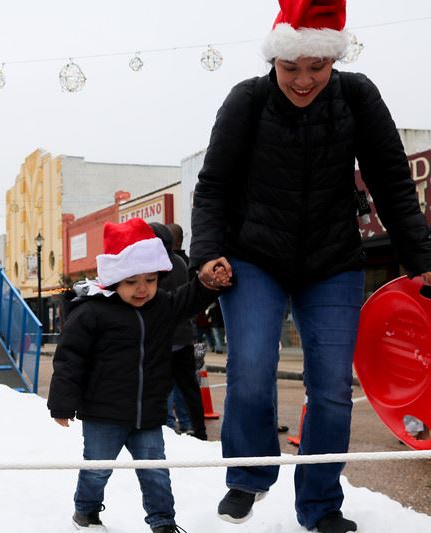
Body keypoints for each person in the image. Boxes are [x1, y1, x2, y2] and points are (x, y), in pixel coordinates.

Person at [190, 2, 431, 531]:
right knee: (250, 370)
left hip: (332, 261)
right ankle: (249, 475)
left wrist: (422, 259)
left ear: (333, 60)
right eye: (290, 67)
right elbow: (213, 187)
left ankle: (321, 504)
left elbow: (392, 179)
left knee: (329, 388)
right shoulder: (247, 101)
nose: (303, 80)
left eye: (316, 67)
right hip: (255, 257)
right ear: (275, 58)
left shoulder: (358, 96)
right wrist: (207, 254)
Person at [47, 218, 231, 533]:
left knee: (155, 471)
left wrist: (207, 283)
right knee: (97, 470)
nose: (142, 289)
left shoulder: (161, 306)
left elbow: (188, 299)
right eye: (132, 281)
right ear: (114, 279)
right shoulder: (92, 313)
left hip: (147, 413)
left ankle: (163, 522)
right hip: (103, 413)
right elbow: (70, 359)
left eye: (150, 279)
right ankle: (86, 513)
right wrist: (63, 404)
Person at [150, 222, 207, 441]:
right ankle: (198, 430)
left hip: (164, 338)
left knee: (162, 388)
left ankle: (165, 428)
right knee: (189, 388)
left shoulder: (159, 267)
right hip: (182, 336)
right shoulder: (181, 263)